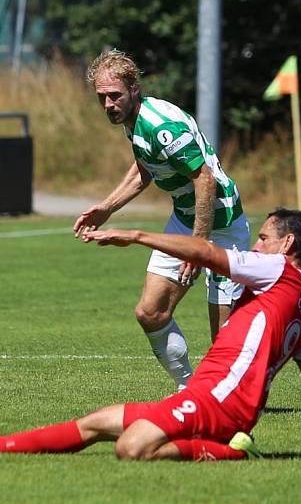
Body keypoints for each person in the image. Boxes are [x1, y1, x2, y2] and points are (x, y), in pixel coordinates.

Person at [0, 209, 301, 461]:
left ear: (287, 244)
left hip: (218, 402)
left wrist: (137, 235)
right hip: (216, 399)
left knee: (133, 447)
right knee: (98, 421)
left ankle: (234, 454)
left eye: (263, 237)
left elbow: (207, 252)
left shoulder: (275, 270)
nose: (256, 245)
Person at [74, 49, 252, 391]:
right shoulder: (133, 122)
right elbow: (146, 168)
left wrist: (196, 248)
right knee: (150, 312)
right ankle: (191, 391)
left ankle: (292, 295)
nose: (109, 104)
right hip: (187, 220)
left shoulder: (161, 126)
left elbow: (205, 180)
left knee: (223, 340)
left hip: (223, 223)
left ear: (134, 89)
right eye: (102, 98)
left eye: (115, 96)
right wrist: (108, 207)